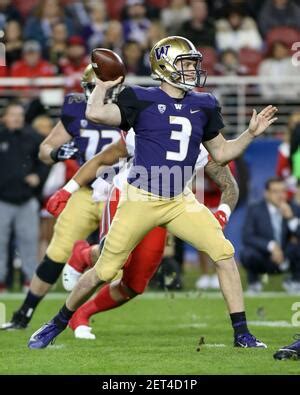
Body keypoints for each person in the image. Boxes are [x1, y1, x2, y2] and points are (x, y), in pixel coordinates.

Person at [28, 35, 277, 349]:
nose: (191, 69)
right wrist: (102, 87)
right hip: (140, 198)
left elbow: (223, 152)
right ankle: (56, 322)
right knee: (104, 270)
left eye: (192, 63)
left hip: (179, 200)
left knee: (225, 255)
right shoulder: (140, 97)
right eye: (185, 63)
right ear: (165, 66)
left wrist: (250, 134)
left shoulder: (204, 103)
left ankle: (242, 334)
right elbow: (97, 115)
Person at [47, 130, 238, 339]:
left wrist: (222, 215)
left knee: (135, 284)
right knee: (117, 261)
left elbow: (230, 185)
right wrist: (67, 190)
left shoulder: (202, 143)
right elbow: (102, 159)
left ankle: (82, 313)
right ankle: (83, 254)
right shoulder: (145, 126)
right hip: (126, 196)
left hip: (167, 206)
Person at [0, 65, 121, 329]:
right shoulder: (76, 109)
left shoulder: (128, 107)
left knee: (118, 262)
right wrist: (56, 154)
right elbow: (45, 149)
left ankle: (81, 313)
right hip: (85, 191)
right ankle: (24, 314)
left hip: (119, 194)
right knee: (56, 253)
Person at [0, 102, 49, 292]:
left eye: (20, 114)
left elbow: (46, 160)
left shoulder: (33, 137)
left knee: (30, 241)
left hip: (26, 199)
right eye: (13, 114)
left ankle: (31, 281)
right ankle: (1, 281)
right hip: (2, 199)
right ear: (5, 117)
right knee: (0, 242)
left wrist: (39, 176)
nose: (17, 118)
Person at [240, 177, 300, 293]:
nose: (280, 195)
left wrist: (291, 219)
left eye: (283, 191)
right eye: (275, 191)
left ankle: (295, 281)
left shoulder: (294, 209)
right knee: (247, 253)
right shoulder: (255, 209)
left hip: (287, 257)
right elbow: (247, 236)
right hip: (265, 257)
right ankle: (254, 284)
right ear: (266, 193)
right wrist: (271, 246)